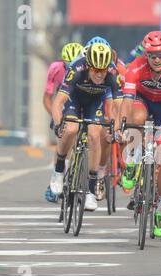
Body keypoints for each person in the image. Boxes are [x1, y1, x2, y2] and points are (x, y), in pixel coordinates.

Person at [116, 31, 161, 235]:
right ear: (146, 55)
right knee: (135, 119)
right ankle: (132, 160)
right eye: (152, 55)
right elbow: (127, 101)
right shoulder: (135, 67)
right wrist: (122, 126)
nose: (157, 60)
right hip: (142, 101)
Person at [49, 43, 123, 211]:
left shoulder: (112, 73)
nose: (100, 74)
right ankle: (59, 170)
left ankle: (90, 190)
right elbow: (58, 102)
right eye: (96, 71)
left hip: (95, 102)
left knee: (95, 135)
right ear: (88, 66)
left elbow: (119, 107)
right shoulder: (77, 68)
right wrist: (59, 123)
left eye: (103, 71)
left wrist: (117, 128)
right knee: (71, 129)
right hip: (74, 98)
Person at [43, 42, 84, 202]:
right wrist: (56, 118)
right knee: (64, 137)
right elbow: (47, 98)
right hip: (64, 101)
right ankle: (56, 177)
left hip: (82, 99)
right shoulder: (55, 69)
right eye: (68, 65)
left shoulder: (86, 69)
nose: (72, 68)